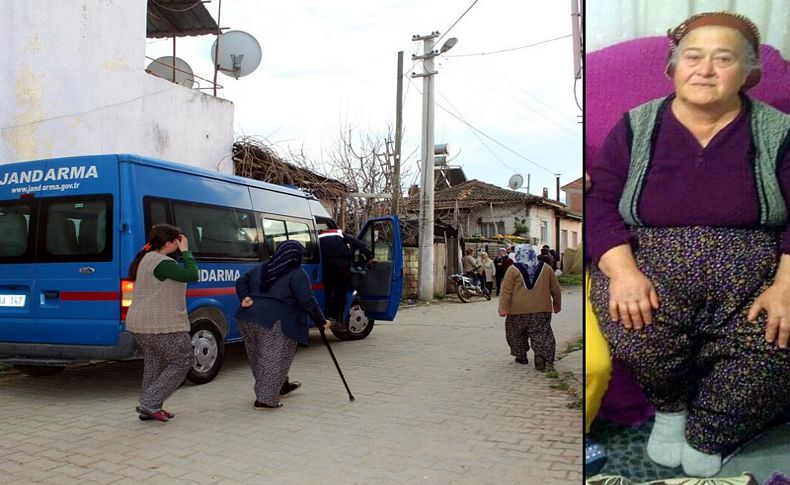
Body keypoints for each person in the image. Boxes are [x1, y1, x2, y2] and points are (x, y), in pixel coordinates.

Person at [587, 12, 790, 477]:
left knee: (775, 342)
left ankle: (710, 430)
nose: (706, 69)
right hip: (648, 263)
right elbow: (600, 203)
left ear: (748, 73)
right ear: (673, 69)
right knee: (634, 321)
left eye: (724, 59)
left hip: (758, 272)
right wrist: (624, 273)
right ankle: (671, 410)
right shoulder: (636, 126)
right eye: (693, 57)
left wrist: (785, 285)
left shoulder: (778, 132)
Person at [235, 240, 331, 409]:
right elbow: (307, 300)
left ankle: (278, 386)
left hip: (248, 318)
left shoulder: (262, 268)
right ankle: (265, 400)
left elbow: (241, 281)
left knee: (259, 358)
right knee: (273, 359)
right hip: (275, 322)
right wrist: (321, 321)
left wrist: (245, 296)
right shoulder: (296, 273)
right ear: (297, 257)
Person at [126, 224, 198, 422]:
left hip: (140, 324)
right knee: (183, 361)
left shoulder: (147, 259)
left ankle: (150, 407)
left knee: (155, 363)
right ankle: (149, 402)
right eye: (178, 241)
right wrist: (186, 252)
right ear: (168, 243)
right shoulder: (163, 263)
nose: (180, 243)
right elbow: (192, 275)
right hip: (161, 325)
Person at [498, 244, 561, 370]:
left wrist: (503, 308)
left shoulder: (512, 269)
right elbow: (555, 288)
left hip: (517, 311)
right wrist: (557, 303)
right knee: (542, 333)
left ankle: (521, 356)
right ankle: (542, 356)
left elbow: (506, 291)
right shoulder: (546, 268)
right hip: (541, 310)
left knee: (516, 333)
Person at [318, 226, 375, 329]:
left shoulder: (319, 236)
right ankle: (339, 320)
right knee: (340, 292)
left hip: (326, 266)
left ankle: (327, 316)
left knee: (329, 291)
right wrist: (370, 257)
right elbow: (360, 244)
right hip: (342, 266)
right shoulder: (339, 233)